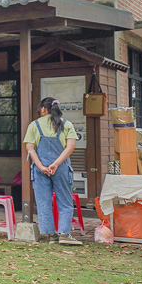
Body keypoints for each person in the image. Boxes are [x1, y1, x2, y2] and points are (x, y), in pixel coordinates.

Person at [24, 97, 82, 245]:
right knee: (65, 201)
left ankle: (51, 235)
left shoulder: (34, 125)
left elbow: (30, 149)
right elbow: (71, 146)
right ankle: (64, 233)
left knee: (43, 202)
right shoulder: (66, 124)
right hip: (61, 168)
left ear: (43, 109)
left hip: (40, 169)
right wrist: (55, 164)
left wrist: (41, 166)